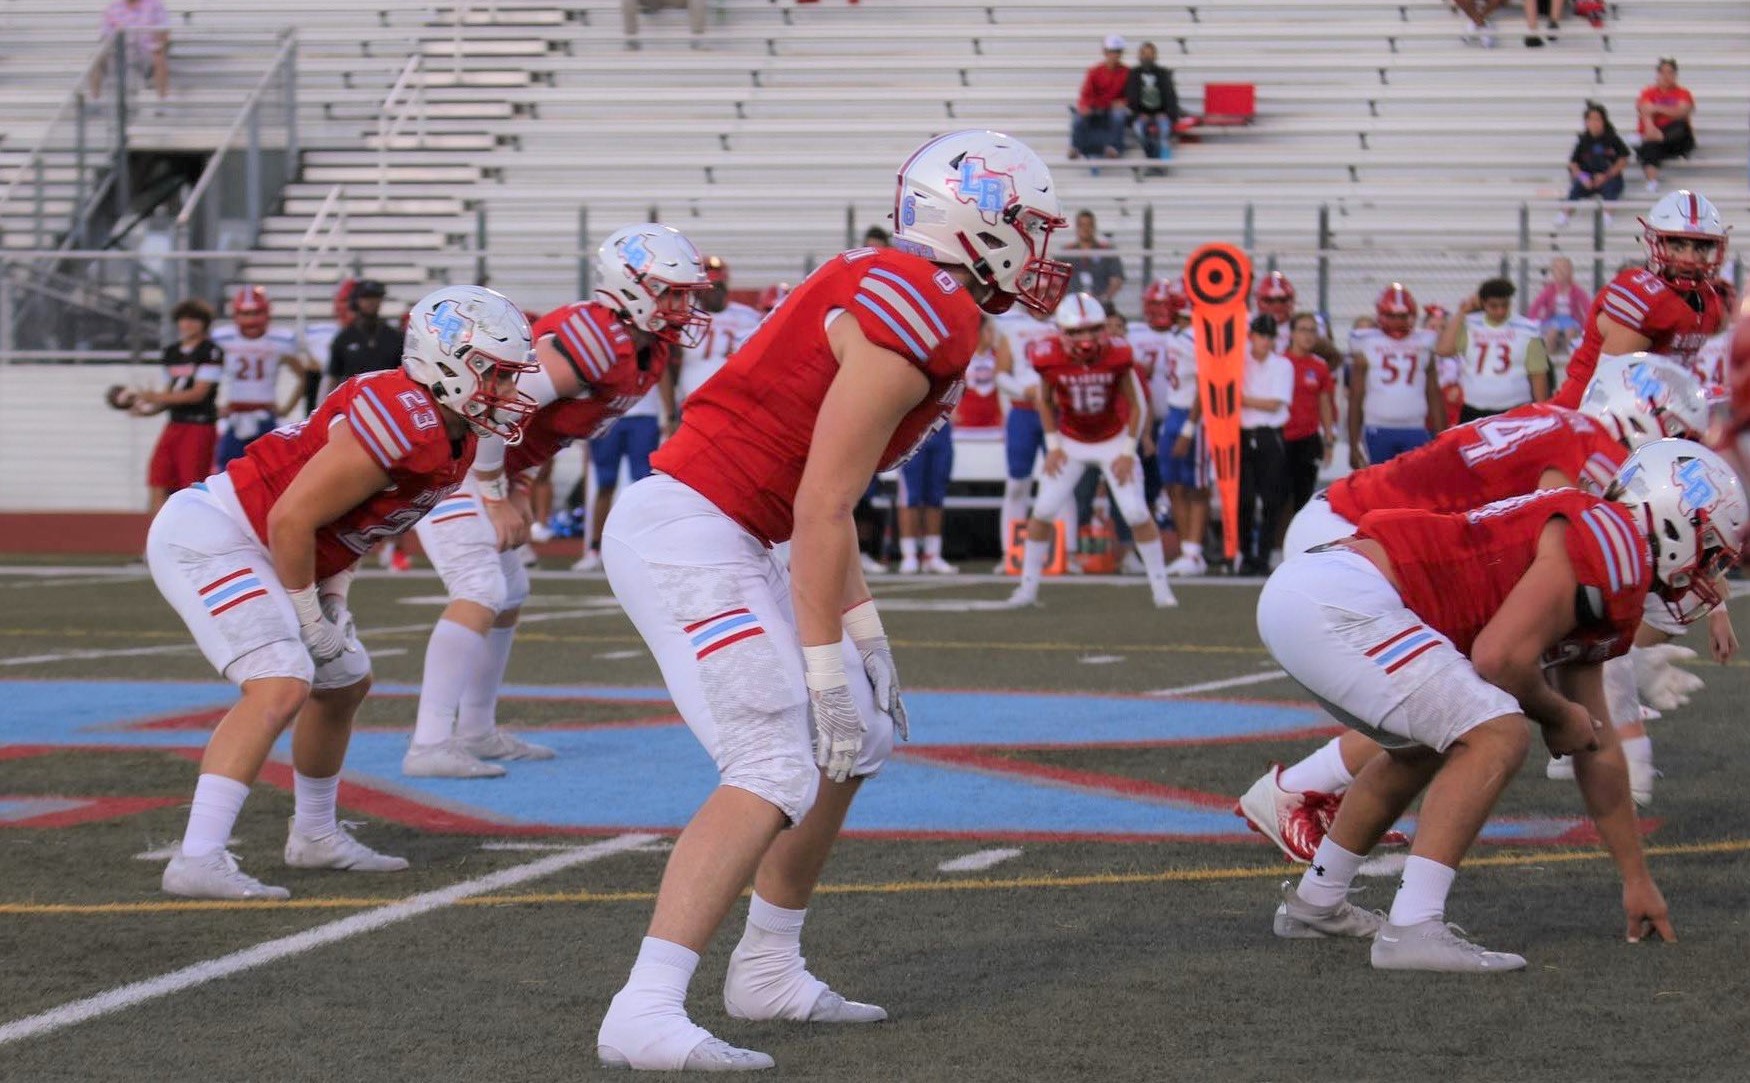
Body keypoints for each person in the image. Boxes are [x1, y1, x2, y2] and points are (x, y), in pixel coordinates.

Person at [592, 130, 1069, 1072]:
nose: (1040, 247)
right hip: (693, 527)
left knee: (862, 735)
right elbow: (822, 504)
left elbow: (821, 503)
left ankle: (767, 966)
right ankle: (642, 1007)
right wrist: (820, 667)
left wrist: (862, 634)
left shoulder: (905, 286)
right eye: (1026, 224)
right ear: (973, 222)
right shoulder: (931, 307)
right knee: (774, 756)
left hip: (742, 529)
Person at [1259, 440, 1745, 970]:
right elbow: (1498, 658)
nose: (1708, 575)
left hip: (1323, 593)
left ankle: (1316, 903)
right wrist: (1557, 716)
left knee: (1423, 749)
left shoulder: (1606, 554)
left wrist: (1637, 879)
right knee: (1499, 732)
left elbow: (1595, 744)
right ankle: (1412, 927)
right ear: (1674, 525)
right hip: (1343, 598)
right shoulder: (1614, 544)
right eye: (1710, 553)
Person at [145, 285, 534, 899]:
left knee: (342, 681)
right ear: (448, 363)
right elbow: (291, 519)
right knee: (282, 680)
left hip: (270, 542)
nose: (509, 394)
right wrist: (307, 614)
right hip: (218, 532)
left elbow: (353, 527)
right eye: (496, 376)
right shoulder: (406, 417)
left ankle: (315, 835)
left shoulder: (448, 431)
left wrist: (333, 599)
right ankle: (197, 857)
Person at [1253, 354, 1711, 862]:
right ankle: (1298, 792)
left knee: (1460, 693)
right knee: (1475, 689)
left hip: (1350, 521)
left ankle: (1313, 803)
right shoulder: (1593, 452)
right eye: (1677, 440)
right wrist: (1620, 665)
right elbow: (1570, 569)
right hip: (1361, 542)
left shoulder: (1560, 422)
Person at [406, 227, 709, 779]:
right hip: (452, 456)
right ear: (631, 288)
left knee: (510, 591)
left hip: (487, 462)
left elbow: (540, 428)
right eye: (670, 292)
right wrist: (497, 493)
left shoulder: (649, 350)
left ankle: (474, 730)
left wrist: (515, 484)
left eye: (686, 293)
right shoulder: (594, 339)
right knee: (481, 588)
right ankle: (428, 743)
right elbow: (498, 404)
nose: (682, 306)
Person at [1008, 293, 1175, 608]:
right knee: (1043, 510)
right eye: (1076, 332)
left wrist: (1128, 450)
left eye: (1092, 330)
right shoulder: (1047, 355)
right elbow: (1042, 400)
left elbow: (1137, 404)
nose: (1085, 339)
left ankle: (1161, 588)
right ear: (1062, 332)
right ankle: (1027, 589)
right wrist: (1054, 444)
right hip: (1071, 441)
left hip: (1113, 439)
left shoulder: (1119, 353)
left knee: (1136, 512)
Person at [1550, 189, 1729, 407]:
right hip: (1587, 416)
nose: (1688, 259)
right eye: (1678, 246)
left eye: (1699, 247)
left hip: (1651, 417)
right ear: (1655, 244)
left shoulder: (1708, 299)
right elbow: (1610, 389)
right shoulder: (1642, 295)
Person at [1143, 279, 1210, 576]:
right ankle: (1187, 552)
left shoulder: (1196, 338)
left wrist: (1188, 428)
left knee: (1195, 486)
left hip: (1191, 416)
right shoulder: (1177, 334)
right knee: (1173, 485)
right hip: (1174, 411)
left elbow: (1205, 386)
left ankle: (1194, 551)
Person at [133, 298, 223, 515]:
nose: (188, 324)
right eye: (184, 319)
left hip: (199, 426)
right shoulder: (171, 352)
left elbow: (198, 393)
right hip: (175, 424)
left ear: (204, 323)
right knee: (158, 479)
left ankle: (189, 540)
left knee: (191, 487)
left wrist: (155, 397)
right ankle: (157, 541)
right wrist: (148, 409)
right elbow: (170, 393)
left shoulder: (210, 351)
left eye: (194, 319)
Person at [1347, 283, 1444, 468]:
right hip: (1377, 427)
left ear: (1412, 315)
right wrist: (1353, 445)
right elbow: (1356, 397)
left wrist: (1442, 437)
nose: (1398, 322)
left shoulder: (1424, 342)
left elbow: (1434, 395)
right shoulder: (1366, 342)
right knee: (1380, 488)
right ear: (1381, 315)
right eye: (1392, 316)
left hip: (1415, 426)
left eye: (1402, 316)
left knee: (1415, 488)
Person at [992, 302, 1060, 555]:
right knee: (1017, 483)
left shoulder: (1064, 327)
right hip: (1023, 410)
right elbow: (1000, 373)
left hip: (1056, 410)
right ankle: (1012, 552)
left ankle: (1065, 551)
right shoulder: (1013, 328)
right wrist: (1024, 390)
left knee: (1061, 482)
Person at [212, 286, 303, 469]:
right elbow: (209, 376)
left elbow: (303, 376)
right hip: (234, 415)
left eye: (256, 313)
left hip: (266, 414)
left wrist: (286, 408)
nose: (251, 320)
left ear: (267, 313)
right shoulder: (222, 338)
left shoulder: (281, 340)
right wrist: (215, 407)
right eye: (245, 314)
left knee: (272, 471)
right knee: (226, 472)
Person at [1435, 278, 1551, 420]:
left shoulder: (1527, 329)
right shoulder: (1470, 325)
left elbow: (1538, 373)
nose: (1500, 311)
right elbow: (1443, 350)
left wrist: (1541, 411)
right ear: (1483, 303)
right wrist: (1462, 312)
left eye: (1504, 305)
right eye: (1494, 306)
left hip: (1515, 408)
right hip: (1474, 409)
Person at [1234, 314, 1294, 575]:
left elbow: (1275, 403)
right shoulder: (1240, 362)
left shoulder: (1282, 365)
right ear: (1252, 337)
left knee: (1271, 499)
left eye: (1270, 337)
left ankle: (1264, 554)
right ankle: (1245, 553)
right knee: (1244, 499)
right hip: (1245, 434)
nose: (1266, 342)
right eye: (1262, 336)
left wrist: (1242, 399)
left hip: (1269, 434)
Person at [668, 255, 762, 420]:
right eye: (709, 287)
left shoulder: (749, 317)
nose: (714, 292)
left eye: (718, 286)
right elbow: (670, 365)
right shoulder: (684, 316)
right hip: (691, 402)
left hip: (734, 404)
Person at [1280, 313, 1337, 533]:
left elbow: (1325, 403)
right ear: (1292, 333)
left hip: (1308, 436)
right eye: (1303, 329)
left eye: (1312, 330)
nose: (1308, 335)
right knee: (1279, 493)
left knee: (1303, 494)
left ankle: (1298, 540)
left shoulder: (1319, 366)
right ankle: (1277, 544)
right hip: (1282, 436)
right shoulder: (1281, 361)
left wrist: (1329, 440)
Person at [1553, 102, 1631, 227]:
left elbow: (1623, 160)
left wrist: (1606, 176)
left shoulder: (1612, 138)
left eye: (1597, 119)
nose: (1594, 123)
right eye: (1590, 119)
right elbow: (1573, 163)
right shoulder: (1583, 140)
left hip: (1608, 177)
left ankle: (1607, 216)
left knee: (1612, 187)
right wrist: (1583, 178)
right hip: (1588, 178)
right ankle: (1564, 215)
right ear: (1586, 122)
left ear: (1603, 121)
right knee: (1576, 188)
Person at [896, 417, 956, 575]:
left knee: (936, 495)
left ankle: (932, 554)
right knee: (910, 496)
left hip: (940, 426)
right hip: (912, 426)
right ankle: (909, 555)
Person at [325, 279, 401, 389]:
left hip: (388, 399)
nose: (371, 302)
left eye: (375, 297)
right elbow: (333, 377)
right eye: (366, 297)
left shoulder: (395, 337)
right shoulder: (343, 338)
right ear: (356, 300)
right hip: (354, 400)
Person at [1635, 59, 1696, 193]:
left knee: (1680, 126)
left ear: (1675, 75)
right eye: (1663, 72)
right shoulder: (1648, 93)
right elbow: (1645, 113)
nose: (1666, 76)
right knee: (1650, 146)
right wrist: (1651, 128)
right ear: (1658, 74)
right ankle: (1652, 181)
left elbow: (1681, 112)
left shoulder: (1683, 93)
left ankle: (1656, 138)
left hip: (1677, 137)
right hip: (1656, 135)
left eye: (1670, 72)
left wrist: (1657, 108)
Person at [92, 0, 169, 102]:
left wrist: (157, 40)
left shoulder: (155, 5)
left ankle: (162, 101)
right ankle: (95, 99)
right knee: (95, 57)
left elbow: (164, 32)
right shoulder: (114, 7)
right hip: (120, 52)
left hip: (146, 52)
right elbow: (105, 36)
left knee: (159, 56)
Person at [299, 279, 355, 416]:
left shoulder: (383, 336)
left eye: (351, 301)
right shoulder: (317, 335)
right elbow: (312, 380)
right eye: (343, 301)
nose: (347, 307)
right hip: (329, 407)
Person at [1070, 35, 1129, 160]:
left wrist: (1124, 102)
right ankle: (1075, 147)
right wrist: (1085, 106)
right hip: (1097, 107)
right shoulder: (1095, 71)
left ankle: (1114, 147)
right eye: (1111, 51)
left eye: (1117, 51)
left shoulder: (1127, 72)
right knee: (1079, 117)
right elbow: (1086, 94)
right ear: (1105, 52)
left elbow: (1131, 95)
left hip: (1113, 109)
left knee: (1118, 115)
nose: (1114, 55)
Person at [1526, 255, 1592, 359]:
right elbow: (1536, 305)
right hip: (1554, 319)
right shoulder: (1549, 290)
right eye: (1557, 269)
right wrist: (1532, 320)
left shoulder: (1576, 290)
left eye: (1564, 269)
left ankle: (1572, 359)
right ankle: (1548, 360)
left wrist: (1589, 322)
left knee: (1570, 333)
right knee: (1551, 334)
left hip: (1570, 320)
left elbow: (1587, 306)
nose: (1561, 272)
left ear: (1570, 272)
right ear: (1553, 272)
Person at [1125, 41, 1180, 160]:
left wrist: (1167, 114)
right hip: (1141, 115)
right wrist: (1138, 114)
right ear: (1139, 56)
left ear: (1155, 56)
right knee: (1139, 130)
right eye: (1144, 54)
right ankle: (1152, 159)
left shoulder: (1163, 73)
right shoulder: (1134, 74)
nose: (1147, 57)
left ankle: (1163, 163)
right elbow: (1131, 98)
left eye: (1150, 54)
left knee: (1165, 130)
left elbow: (1171, 97)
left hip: (1161, 114)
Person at [1064, 209, 1124, 304]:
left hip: (1101, 303)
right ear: (1077, 227)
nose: (1085, 229)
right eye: (1082, 225)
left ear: (1094, 227)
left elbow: (1116, 279)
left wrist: (1104, 298)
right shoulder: (1066, 253)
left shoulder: (1107, 252)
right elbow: (1056, 281)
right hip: (1072, 305)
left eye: (1089, 225)